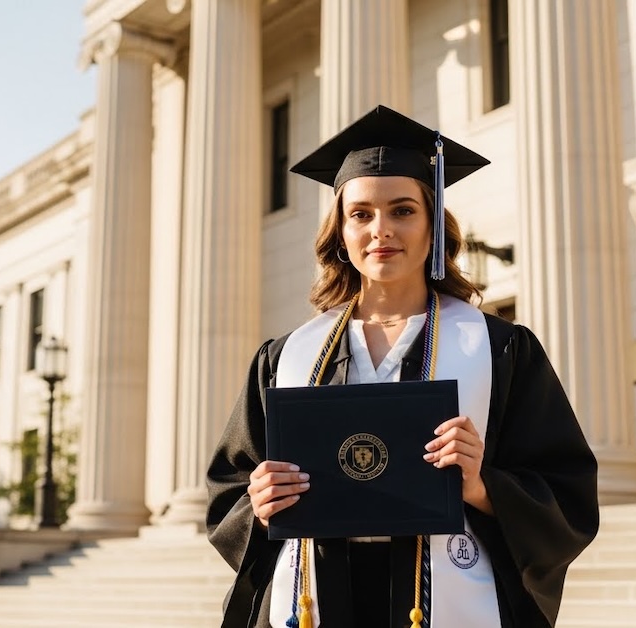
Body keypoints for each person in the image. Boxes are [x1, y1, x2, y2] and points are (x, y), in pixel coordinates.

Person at [207, 105, 599, 628]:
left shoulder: (499, 349)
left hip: (450, 590)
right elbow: (230, 491)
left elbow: (566, 490)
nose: (381, 230)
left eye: (403, 210)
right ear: (340, 234)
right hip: (319, 593)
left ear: (433, 225)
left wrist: (482, 486)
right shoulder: (286, 358)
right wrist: (258, 505)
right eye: (361, 214)